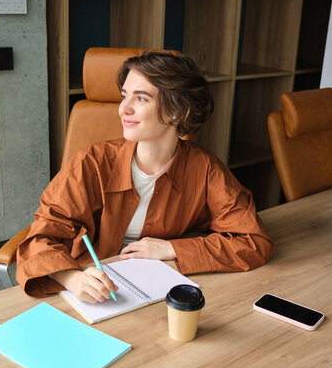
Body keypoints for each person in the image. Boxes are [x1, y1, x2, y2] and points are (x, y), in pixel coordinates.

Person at [16, 51, 274, 303]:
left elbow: (254, 242)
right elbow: (39, 238)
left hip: (163, 289)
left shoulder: (204, 169)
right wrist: (72, 279)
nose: (123, 109)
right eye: (124, 96)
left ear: (177, 111)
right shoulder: (92, 163)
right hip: (96, 292)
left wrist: (171, 249)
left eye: (141, 99)